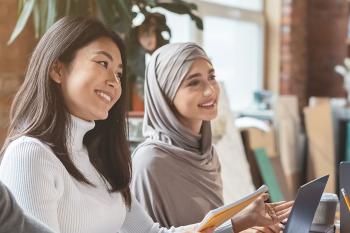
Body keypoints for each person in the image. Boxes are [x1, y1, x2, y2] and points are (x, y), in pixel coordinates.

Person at [0, 17, 216, 233]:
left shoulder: (100, 159)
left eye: (120, 74)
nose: (114, 81)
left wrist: (235, 223)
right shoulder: (29, 155)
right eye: (103, 64)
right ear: (57, 69)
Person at [131, 43, 292, 232]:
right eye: (193, 82)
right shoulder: (150, 162)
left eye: (211, 77)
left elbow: (210, 228)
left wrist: (251, 228)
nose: (210, 91)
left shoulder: (208, 154)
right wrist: (242, 223)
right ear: (165, 95)